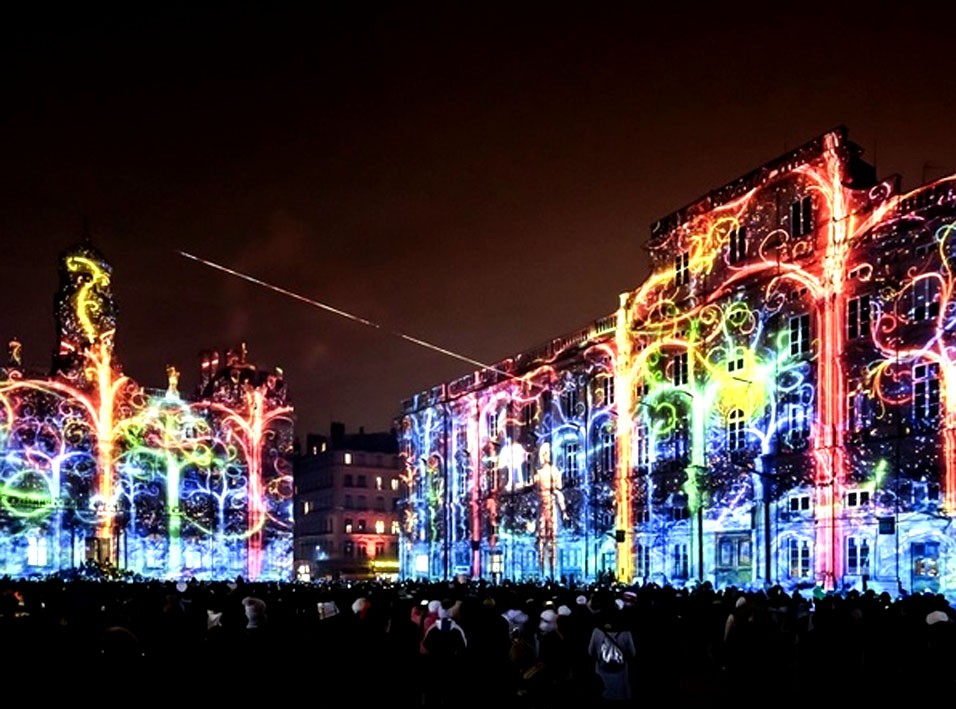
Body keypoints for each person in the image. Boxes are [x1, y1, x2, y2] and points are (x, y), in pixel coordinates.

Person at [588, 604, 636, 704]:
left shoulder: (597, 631)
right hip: (621, 675)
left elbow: (590, 651)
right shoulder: (626, 632)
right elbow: (633, 653)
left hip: (601, 672)